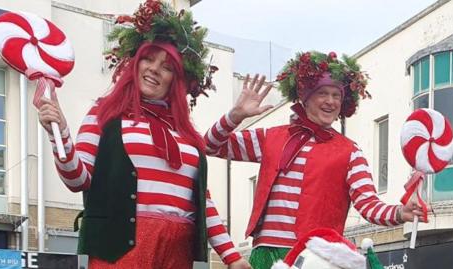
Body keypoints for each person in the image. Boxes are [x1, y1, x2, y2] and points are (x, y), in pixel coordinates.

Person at [38, 1, 250, 268]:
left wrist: (232, 257)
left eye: (167, 66)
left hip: (177, 251)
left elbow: (202, 203)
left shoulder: (185, 133)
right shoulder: (105, 112)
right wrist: (60, 135)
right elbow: (77, 179)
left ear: (177, 79)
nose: (154, 69)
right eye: (148, 59)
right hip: (120, 248)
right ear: (135, 63)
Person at [204, 51, 427, 269]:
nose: (330, 101)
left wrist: (400, 212)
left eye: (336, 95)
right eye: (323, 93)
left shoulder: (350, 152)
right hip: (266, 254)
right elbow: (210, 145)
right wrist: (235, 116)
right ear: (305, 96)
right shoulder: (271, 137)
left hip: (316, 257)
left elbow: (368, 204)